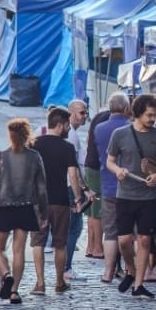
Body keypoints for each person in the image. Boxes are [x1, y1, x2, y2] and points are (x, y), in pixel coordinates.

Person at [106, 94, 156, 299]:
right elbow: (110, 161)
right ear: (138, 113)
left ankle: (138, 284)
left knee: (144, 240)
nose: (153, 119)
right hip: (125, 194)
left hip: (148, 196)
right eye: (149, 115)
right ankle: (131, 270)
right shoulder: (120, 134)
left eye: (154, 115)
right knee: (124, 240)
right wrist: (118, 170)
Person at [0, 118, 48, 304]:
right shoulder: (35, 157)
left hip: (3, 206)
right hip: (25, 207)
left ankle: (6, 274)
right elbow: (42, 188)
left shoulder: (0, 156)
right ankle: (14, 291)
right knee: (19, 251)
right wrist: (43, 214)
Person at [31, 107, 85, 294]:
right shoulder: (67, 148)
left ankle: (39, 283)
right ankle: (59, 282)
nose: (69, 129)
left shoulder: (35, 144)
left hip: (39, 200)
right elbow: (73, 175)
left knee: (38, 242)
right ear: (60, 125)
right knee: (59, 243)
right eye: (68, 125)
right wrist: (78, 197)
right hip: (60, 200)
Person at [94, 93, 130, 283]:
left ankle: (108, 271)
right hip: (128, 186)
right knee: (129, 231)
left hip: (107, 184)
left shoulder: (99, 128)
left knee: (110, 231)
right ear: (126, 109)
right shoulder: (130, 128)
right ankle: (129, 269)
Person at [63, 99, 91, 281]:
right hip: (69, 187)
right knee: (74, 227)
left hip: (68, 186)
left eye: (86, 112)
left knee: (71, 228)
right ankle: (66, 267)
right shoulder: (71, 135)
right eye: (81, 112)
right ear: (71, 113)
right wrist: (81, 192)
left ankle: (65, 266)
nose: (85, 116)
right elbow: (73, 169)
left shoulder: (72, 134)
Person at [83, 105, 112, 259]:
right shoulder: (109, 120)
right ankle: (97, 248)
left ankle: (90, 246)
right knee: (97, 209)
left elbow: (88, 139)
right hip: (97, 166)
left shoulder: (98, 117)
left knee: (92, 209)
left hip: (90, 164)